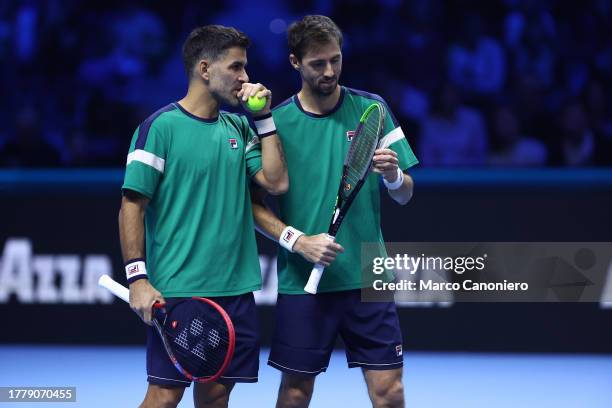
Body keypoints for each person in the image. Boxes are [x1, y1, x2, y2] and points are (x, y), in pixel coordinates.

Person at [250, 15, 418, 408]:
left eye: (336, 60)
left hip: (368, 275)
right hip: (302, 281)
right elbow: (253, 208)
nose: (330, 71)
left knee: (390, 392)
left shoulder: (371, 109)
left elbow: (406, 194)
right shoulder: (275, 124)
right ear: (295, 62)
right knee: (295, 393)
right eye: (318, 64)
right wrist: (298, 241)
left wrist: (393, 176)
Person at [118, 25, 288, 408]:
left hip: (236, 292)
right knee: (163, 396)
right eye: (237, 67)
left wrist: (263, 119)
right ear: (205, 69)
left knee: (215, 396)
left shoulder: (240, 127)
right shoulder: (159, 128)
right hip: (180, 291)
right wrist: (138, 278)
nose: (246, 77)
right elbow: (132, 205)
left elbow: (275, 183)